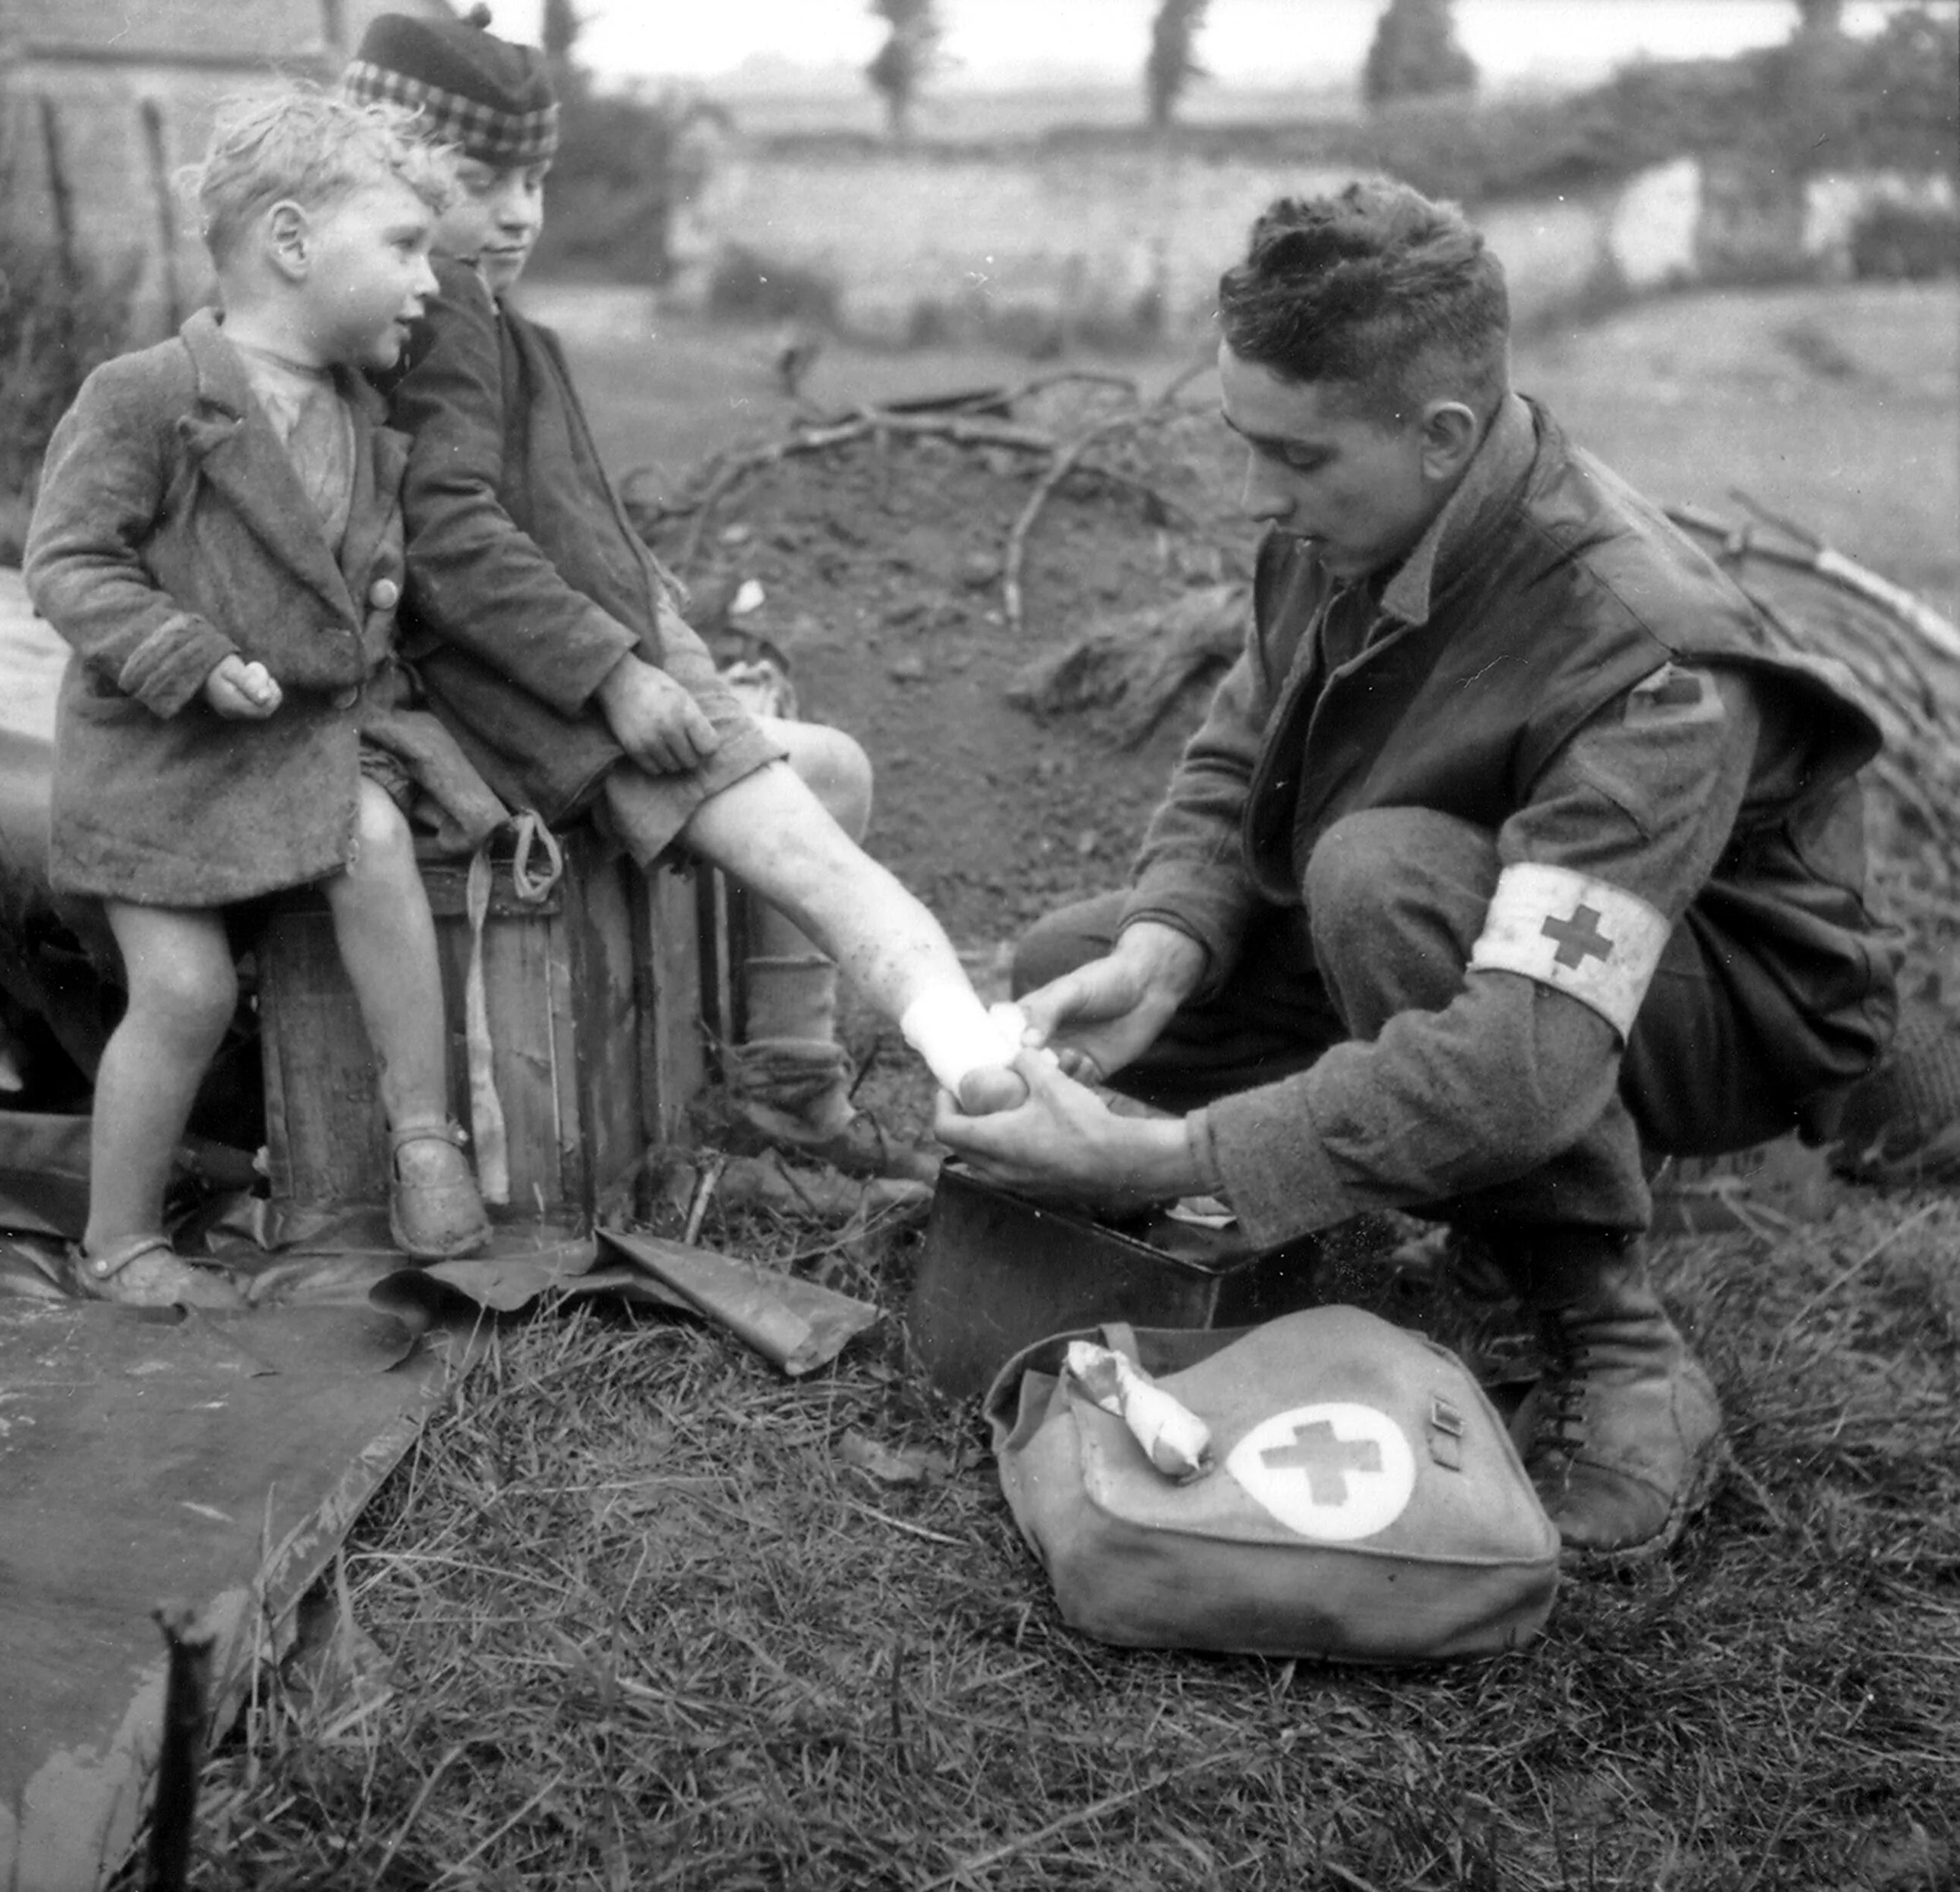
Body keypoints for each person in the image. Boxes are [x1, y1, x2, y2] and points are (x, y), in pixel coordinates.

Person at [939, 181, 1901, 1567]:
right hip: (1464, 931)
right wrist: (1170, 941)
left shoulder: (1647, 653)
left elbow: (1526, 1059)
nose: (1262, 497)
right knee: (1068, 967)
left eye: (1300, 458)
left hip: (1720, 1002)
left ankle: (1612, 1345)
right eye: (1245, 446)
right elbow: (1235, 760)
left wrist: (1168, 1154)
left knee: (1380, 879)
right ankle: (1337, 1214)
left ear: (1444, 436)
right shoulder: (1339, 529)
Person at [339, 11, 1025, 1160]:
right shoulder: (448, 308)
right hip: (550, 708)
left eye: (536, 182)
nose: (519, 213)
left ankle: (792, 1083)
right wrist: (614, 674)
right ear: (386, 173)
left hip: (590, 674)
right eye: (480, 180)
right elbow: (449, 534)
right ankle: (975, 1070)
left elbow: (536, 518)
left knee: (835, 778)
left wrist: (653, 613)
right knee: (827, 870)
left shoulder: (469, 310)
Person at [25, 91, 512, 1306]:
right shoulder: (146, 395)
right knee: (185, 990)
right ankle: (120, 1238)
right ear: (293, 245)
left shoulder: (364, 424)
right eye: (403, 247)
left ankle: (421, 1139)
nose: (429, 282)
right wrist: (181, 652)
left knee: (379, 840)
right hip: (160, 765)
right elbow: (67, 562)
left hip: (295, 750)